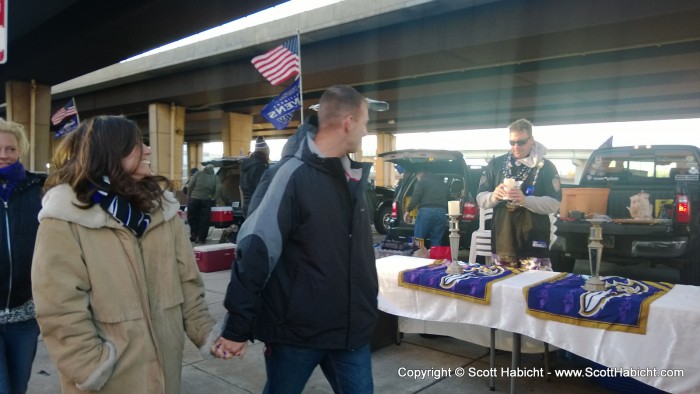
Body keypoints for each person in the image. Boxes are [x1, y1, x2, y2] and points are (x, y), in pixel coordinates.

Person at [211, 85, 386, 393]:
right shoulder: (291, 174)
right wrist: (237, 328)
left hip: (350, 331)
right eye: (364, 121)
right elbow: (255, 251)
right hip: (296, 334)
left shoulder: (351, 176)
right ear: (347, 121)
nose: (367, 129)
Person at [31, 115, 215, 394]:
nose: (149, 149)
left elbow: (188, 283)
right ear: (110, 153)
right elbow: (58, 307)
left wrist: (207, 334)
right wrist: (91, 368)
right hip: (109, 378)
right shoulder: (64, 217)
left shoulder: (163, 210)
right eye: (137, 145)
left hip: (166, 372)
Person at [476, 118, 561, 270]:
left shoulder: (546, 167)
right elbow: (480, 198)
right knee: (503, 289)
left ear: (532, 140)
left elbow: (554, 204)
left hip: (534, 243)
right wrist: (494, 196)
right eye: (512, 142)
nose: (516, 147)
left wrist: (525, 200)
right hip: (504, 242)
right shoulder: (496, 164)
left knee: (535, 290)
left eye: (521, 142)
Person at [0, 118, 45, 394]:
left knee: (17, 387)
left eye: (10, 149)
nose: (3, 155)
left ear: (20, 151)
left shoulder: (39, 189)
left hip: (25, 315)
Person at [402, 169, 448, 248]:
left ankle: (418, 256)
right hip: (442, 212)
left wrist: (408, 210)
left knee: (419, 237)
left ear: (420, 174)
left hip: (427, 212)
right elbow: (449, 198)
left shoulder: (422, 181)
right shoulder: (442, 183)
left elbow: (416, 196)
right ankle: (435, 257)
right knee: (437, 239)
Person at [185, 163, 219, 244]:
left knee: (192, 217)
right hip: (207, 200)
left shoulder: (198, 173)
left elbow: (190, 186)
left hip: (194, 199)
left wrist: (189, 196)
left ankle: (194, 235)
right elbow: (219, 189)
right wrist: (214, 197)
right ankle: (201, 238)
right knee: (204, 220)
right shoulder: (215, 177)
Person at [240, 136, 270, 217]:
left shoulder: (245, 167)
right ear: (265, 152)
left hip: (246, 206)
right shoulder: (260, 167)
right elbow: (261, 190)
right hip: (257, 207)